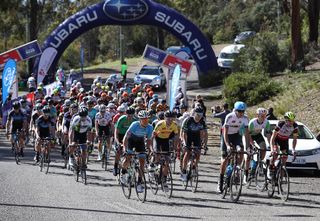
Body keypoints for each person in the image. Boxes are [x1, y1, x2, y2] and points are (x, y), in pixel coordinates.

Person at [217, 101, 250, 194]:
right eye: (239, 111)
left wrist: (248, 147)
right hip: (227, 136)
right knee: (225, 159)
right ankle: (220, 181)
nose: (241, 113)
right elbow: (225, 132)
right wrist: (227, 145)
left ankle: (237, 168)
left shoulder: (245, 118)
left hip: (236, 135)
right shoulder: (230, 116)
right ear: (235, 110)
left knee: (241, 151)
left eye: (243, 111)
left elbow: (246, 134)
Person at [120, 110, 153, 193]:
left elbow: (149, 140)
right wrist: (125, 148)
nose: (146, 121)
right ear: (140, 120)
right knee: (128, 158)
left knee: (142, 162)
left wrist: (148, 149)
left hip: (140, 142)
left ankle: (139, 183)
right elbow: (126, 137)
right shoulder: (135, 125)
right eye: (143, 119)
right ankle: (123, 172)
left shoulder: (150, 127)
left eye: (147, 119)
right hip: (131, 141)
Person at [151, 110, 179, 191]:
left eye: (171, 119)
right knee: (157, 155)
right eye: (168, 119)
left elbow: (176, 137)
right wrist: (152, 149)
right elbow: (153, 136)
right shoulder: (160, 124)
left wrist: (174, 148)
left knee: (166, 162)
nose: (170, 120)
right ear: (165, 118)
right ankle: (153, 166)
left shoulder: (174, 125)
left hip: (165, 140)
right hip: (158, 139)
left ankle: (164, 180)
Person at [267, 112, 297, 179]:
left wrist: (293, 149)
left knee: (284, 159)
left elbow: (295, 139)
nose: (291, 122)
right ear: (286, 120)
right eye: (289, 120)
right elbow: (272, 137)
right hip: (276, 139)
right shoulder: (280, 124)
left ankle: (280, 178)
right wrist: (272, 149)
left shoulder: (295, 126)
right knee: (275, 154)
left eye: (292, 120)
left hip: (284, 141)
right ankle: (270, 168)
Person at [180, 107, 207, 182]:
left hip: (196, 137)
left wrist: (204, 143)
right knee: (187, 152)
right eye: (198, 115)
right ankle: (184, 171)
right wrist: (185, 143)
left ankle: (194, 166)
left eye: (201, 115)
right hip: (188, 136)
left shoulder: (202, 121)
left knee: (198, 152)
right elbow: (184, 133)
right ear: (194, 114)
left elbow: (204, 133)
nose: (199, 117)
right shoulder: (188, 120)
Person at [245, 108, 271, 183]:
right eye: (262, 116)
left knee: (264, 148)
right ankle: (246, 173)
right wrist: (253, 145)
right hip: (249, 136)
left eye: (264, 116)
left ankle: (259, 161)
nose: (263, 117)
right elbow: (248, 135)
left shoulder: (266, 122)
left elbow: (268, 135)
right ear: (257, 115)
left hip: (257, 135)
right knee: (249, 155)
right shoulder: (252, 122)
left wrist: (270, 144)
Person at [113, 107, 135, 176]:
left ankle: (126, 166)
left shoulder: (134, 120)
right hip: (120, 135)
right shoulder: (121, 119)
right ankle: (115, 166)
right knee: (119, 150)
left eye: (131, 115)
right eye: (128, 115)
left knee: (130, 152)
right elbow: (116, 132)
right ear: (126, 114)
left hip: (129, 136)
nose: (130, 117)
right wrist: (117, 142)